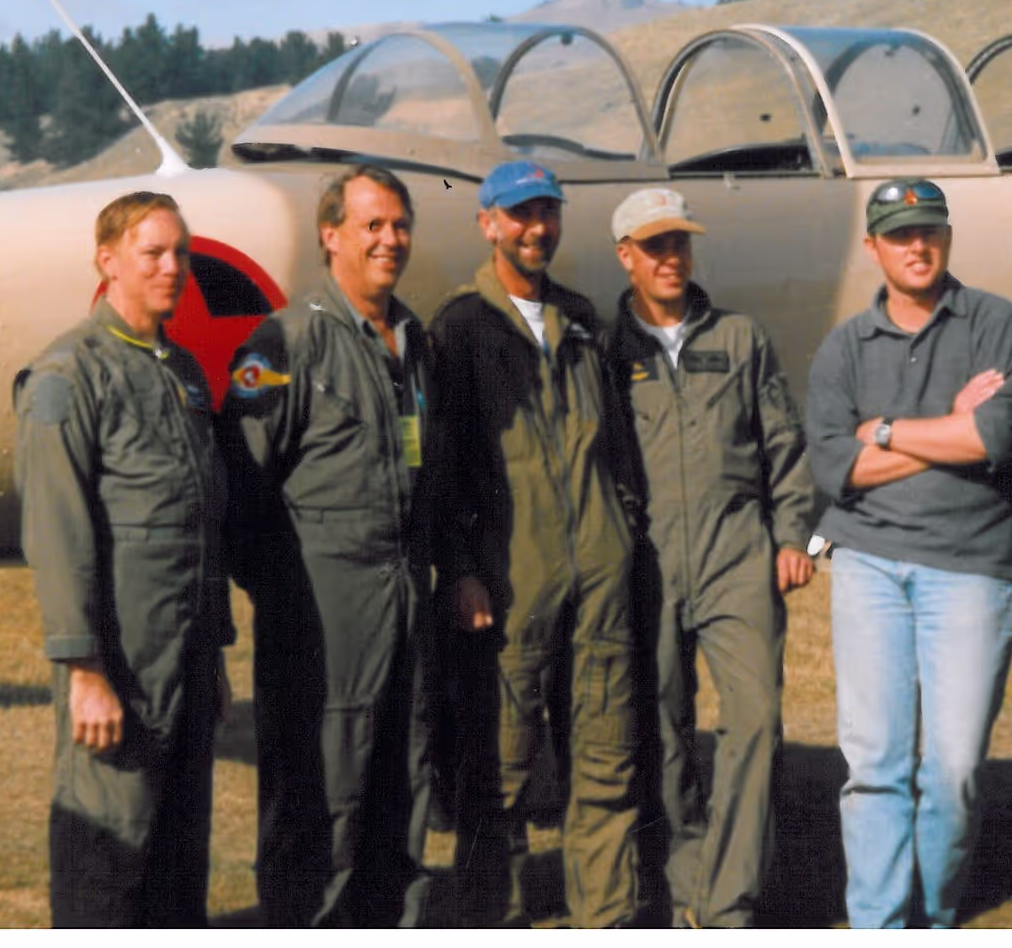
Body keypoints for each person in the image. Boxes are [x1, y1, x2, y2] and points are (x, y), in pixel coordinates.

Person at [804, 178, 1012, 929]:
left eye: (928, 229)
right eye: (899, 233)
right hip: (869, 563)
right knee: (875, 766)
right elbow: (834, 470)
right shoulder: (844, 347)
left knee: (956, 769)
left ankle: (934, 917)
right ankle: (879, 926)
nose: (916, 245)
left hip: (970, 565)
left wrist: (882, 430)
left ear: (946, 235)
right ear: (873, 246)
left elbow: (989, 438)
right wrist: (941, 427)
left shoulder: (995, 323)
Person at [218, 165, 436, 927]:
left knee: (403, 782)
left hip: (404, 599)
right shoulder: (286, 339)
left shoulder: (414, 338)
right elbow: (240, 481)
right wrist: (284, 593)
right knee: (323, 795)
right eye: (372, 224)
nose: (389, 239)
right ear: (331, 234)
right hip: (320, 612)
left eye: (400, 223)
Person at [425, 159, 638, 929]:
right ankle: (490, 919)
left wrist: (624, 539)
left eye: (546, 212)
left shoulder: (584, 322)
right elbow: (441, 471)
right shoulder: (457, 329)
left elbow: (616, 450)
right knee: (498, 773)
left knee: (606, 766)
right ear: (487, 223)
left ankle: (605, 919)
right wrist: (461, 569)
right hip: (510, 589)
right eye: (519, 214)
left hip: (600, 586)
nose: (536, 227)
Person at [602, 187, 818, 928]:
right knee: (660, 731)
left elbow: (784, 446)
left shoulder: (740, 339)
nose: (671, 258)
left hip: (737, 557)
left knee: (756, 719)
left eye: (680, 243)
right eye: (654, 245)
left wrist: (791, 534)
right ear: (625, 255)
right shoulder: (605, 352)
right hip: (648, 565)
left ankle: (730, 899)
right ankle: (687, 877)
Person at [14, 190, 231, 927]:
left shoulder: (181, 371)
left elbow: (196, 524)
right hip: (118, 671)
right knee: (106, 859)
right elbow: (56, 531)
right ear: (107, 261)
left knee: (177, 866)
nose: (174, 267)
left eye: (182, 252)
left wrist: (215, 656)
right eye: (154, 252)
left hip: (186, 664)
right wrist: (83, 670)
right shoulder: (70, 374)